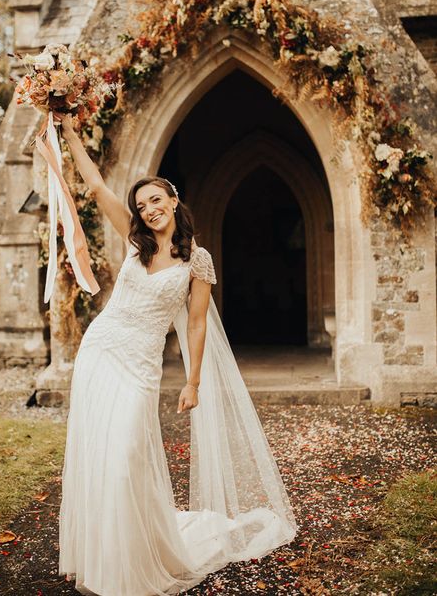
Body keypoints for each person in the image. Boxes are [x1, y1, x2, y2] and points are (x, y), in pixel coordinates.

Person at [55, 113, 297, 596]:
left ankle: (138, 555)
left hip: (141, 365)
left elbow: (196, 322)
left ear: (173, 200)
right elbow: (98, 185)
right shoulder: (133, 241)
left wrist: (192, 380)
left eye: (155, 200)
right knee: (98, 453)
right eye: (142, 204)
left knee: (126, 455)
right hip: (101, 351)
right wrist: (66, 132)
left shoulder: (196, 261)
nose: (148, 210)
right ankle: (105, 561)